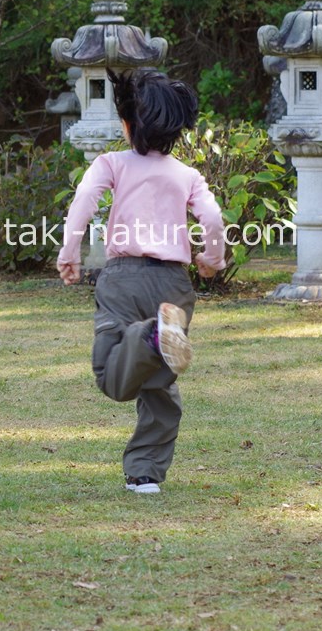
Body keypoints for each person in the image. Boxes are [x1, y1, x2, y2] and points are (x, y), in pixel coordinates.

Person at [56, 70, 226, 495]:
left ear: (127, 124)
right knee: (159, 385)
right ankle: (145, 472)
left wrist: (69, 252)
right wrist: (211, 259)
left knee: (110, 378)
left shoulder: (111, 163)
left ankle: (150, 334)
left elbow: (84, 203)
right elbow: (212, 218)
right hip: (173, 285)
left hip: (122, 280)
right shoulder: (187, 175)